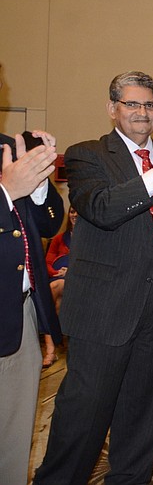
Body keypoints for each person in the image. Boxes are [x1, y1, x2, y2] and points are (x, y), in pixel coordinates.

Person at [33, 71, 153, 484]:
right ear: (112, 108)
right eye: (132, 104)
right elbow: (101, 208)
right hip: (103, 314)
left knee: (141, 423)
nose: (142, 113)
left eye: (149, 105)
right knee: (81, 422)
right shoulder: (88, 155)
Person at [0, 130, 64, 485]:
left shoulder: (10, 148)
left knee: (14, 430)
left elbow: (50, 222)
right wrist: (6, 192)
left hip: (20, 312)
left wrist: (38, 181)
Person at [42, 206, 76, 367]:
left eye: (77, 211)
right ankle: (52, 348)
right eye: (71, 211)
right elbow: (47, 262)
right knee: (55, 300)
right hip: (57, 278)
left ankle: (51, 349)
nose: (74, 215)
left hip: (78, 280)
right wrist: (56, 271)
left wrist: (71, 271)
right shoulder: (59, 239)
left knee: (53, 291)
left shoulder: (91, 237)